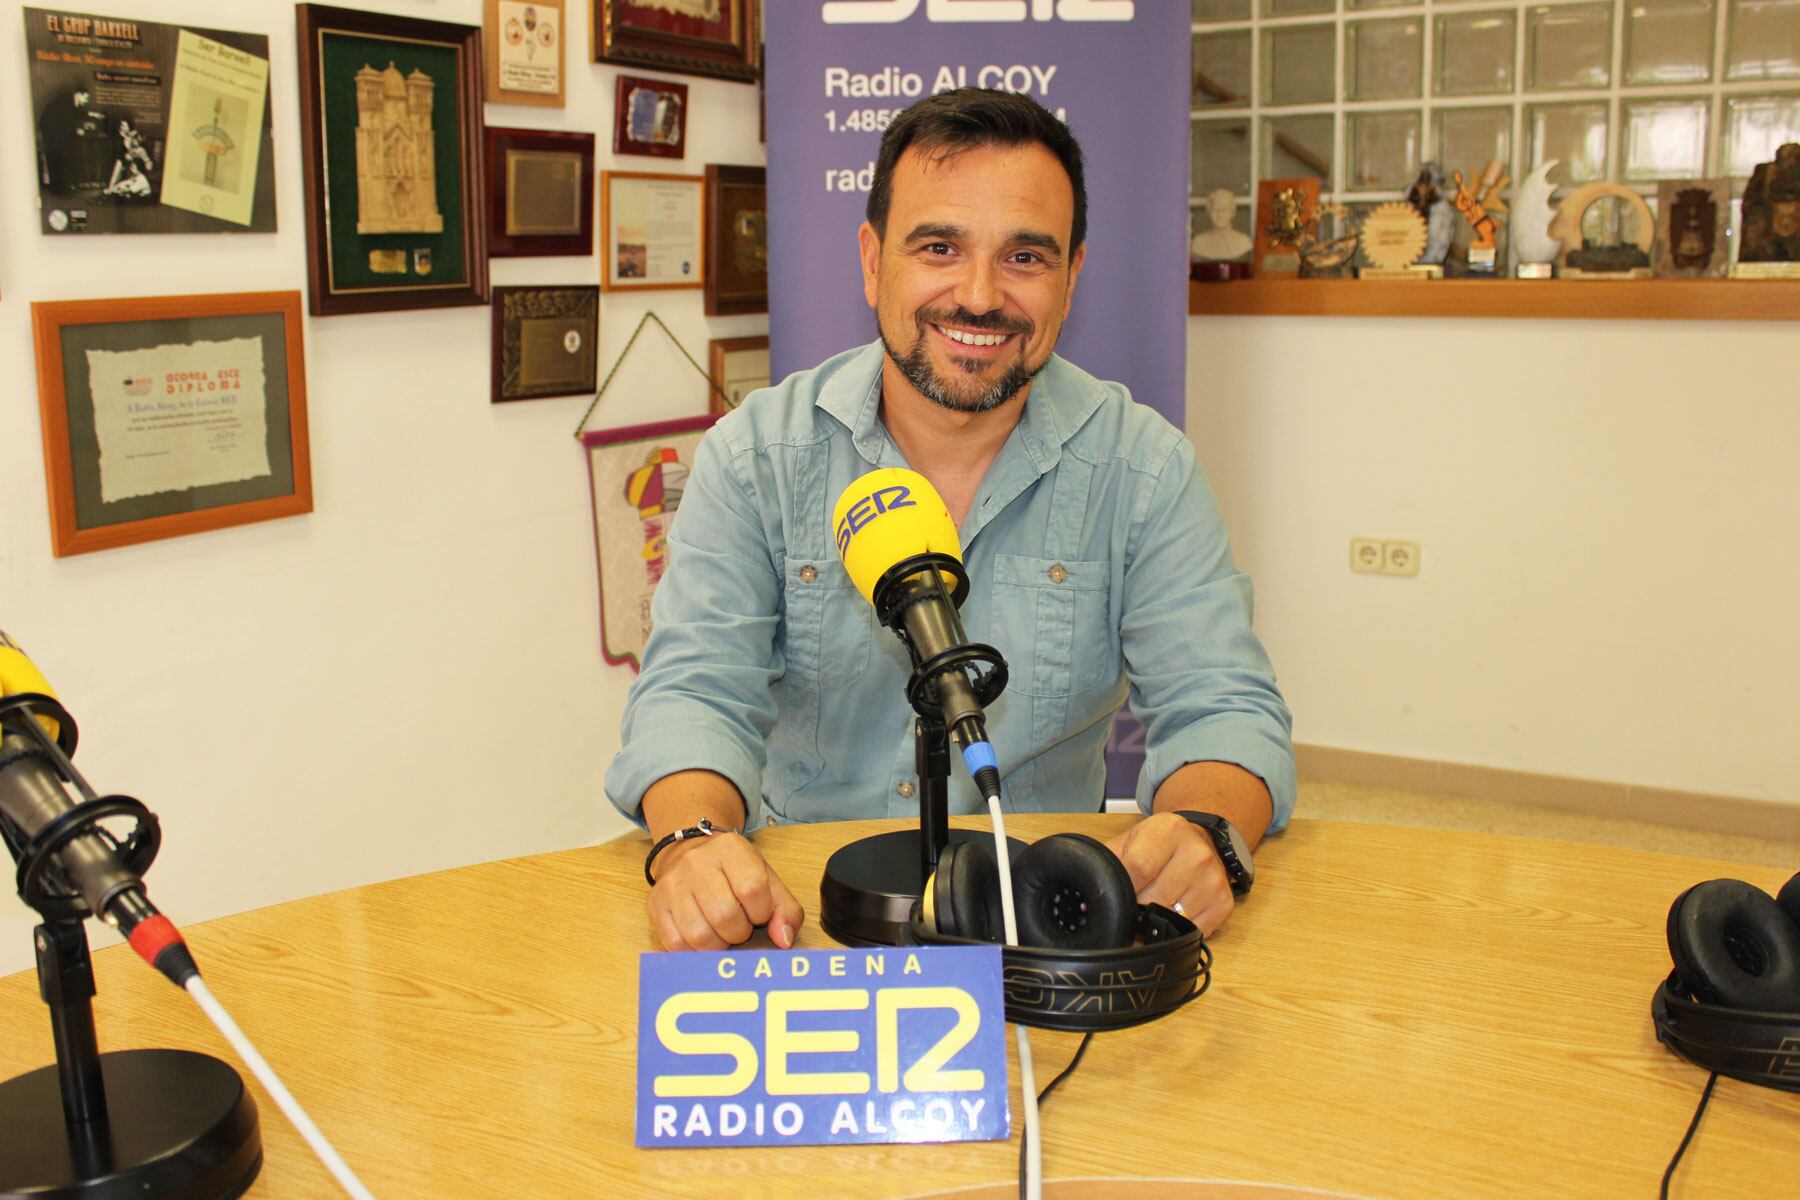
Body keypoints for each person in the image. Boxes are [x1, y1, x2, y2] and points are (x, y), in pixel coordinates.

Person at [606, 89, 1293, 953]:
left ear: (1072, 278)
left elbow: (1223, 705)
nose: (978, 296)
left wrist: (1206, 830)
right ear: (872, 260)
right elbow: (694, 691)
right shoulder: (756, 457)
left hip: (1040, 923)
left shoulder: (1143, 468)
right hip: (795, 918)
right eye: (939, 247)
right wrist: (693, 845)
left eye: (1025, 257)